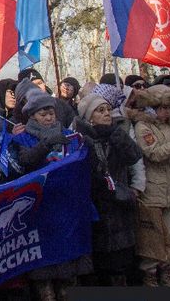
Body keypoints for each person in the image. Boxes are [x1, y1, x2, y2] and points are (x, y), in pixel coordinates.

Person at [3, 89, 92, 300]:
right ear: (32, 116)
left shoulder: (69, 136)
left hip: (67, 209)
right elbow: (24, 162)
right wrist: (45, 145)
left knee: (69, 268)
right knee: (45, 269)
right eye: (43, 114)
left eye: (51, 112)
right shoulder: (23, 138)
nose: (49, 117)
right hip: (40, 210)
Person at [130, 84, 170, 287]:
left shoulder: (167, 126)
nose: (168, 112)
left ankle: (168, 271)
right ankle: (150, 273)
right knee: (153, 236)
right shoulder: (143, 127)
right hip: (152, 189)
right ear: (153, 107)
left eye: (169, 108)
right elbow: (155, 154)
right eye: (164, 108)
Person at [74, 94, 142, 286]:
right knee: (102, 261)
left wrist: (116, 133)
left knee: (124, 260)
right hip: (97, 204)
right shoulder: (81, 138)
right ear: (89, 116)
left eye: (107, 109)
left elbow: (134, 156)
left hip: (120, 202)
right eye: (100, 110)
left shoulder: (117, 133)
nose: (106, 114)